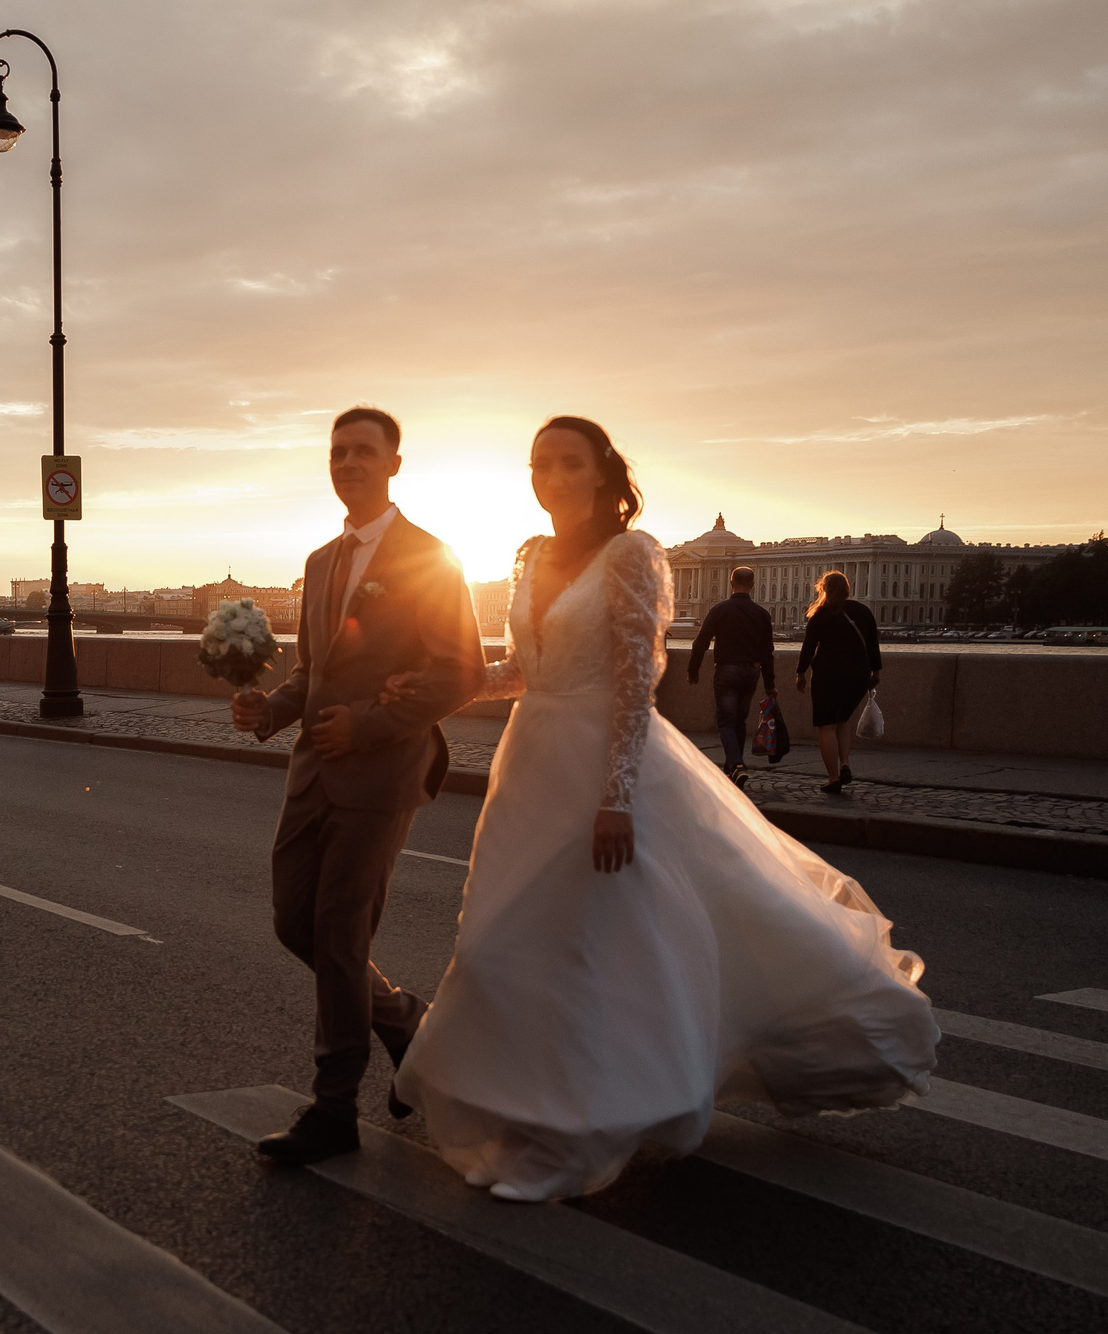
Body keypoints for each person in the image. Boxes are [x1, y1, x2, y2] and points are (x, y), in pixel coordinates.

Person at [390, 415, 936, 1202]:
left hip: (598, 768)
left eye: (567, 462)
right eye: (539, 463)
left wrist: (616, 797)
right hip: (531, 765)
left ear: (603, 474)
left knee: (587, 944)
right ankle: (535, 1106)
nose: (549, 475)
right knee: (504, 943)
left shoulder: (632, 555)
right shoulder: (531, 556)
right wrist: (450, 687)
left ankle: (582, 1115)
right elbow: (524, 666)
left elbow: (634, 681)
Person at [230, 406, 487, 1166]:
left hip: (381, 772)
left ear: (394, 464)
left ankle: (333, 1107)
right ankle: (406, 1022)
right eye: (338, 451)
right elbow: (313, 670)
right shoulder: (319, 561)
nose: (348, 462)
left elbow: (461, 670)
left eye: (363, 452)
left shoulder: (431, 557)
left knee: (340, 936)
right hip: (313, 770)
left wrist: (370, 722)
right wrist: (270, 708)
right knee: (292, 922)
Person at [687, 566, 775, 784]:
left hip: (726, 670)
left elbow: (700, 644)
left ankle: (737, 765)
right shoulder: (762, 614)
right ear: (752, 586)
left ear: (731, 583)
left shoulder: (720, 610)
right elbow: (767, 652)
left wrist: (693, 671)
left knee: (726, 722)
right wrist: (770, 684)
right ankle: (731, 769)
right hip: (752, 672)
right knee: (740, 721)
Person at [795, 570, 880, 794]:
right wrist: (876, 671)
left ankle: (833, 778)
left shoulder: (821, 614)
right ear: (847, 589)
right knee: (842, 719)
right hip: (858, 676)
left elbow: (808, 647)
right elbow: (872, 643)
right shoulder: (862, 611)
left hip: (828, 676)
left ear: (824, 589)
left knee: (826, 725)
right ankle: (845, 764)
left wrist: (800, 673)